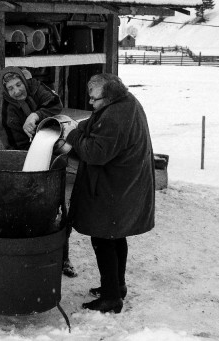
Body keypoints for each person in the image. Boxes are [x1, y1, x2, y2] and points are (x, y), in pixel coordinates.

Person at [62, 73, 155, 313]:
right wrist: (79, 127)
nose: (91, 104)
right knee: (116, 235)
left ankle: (111, 298)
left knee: (103, 237)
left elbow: (95, 153)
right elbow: (97, 124)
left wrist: (72, 135)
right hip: (124, 183)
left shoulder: (115, 116)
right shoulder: (126, 102)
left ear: (109, 95)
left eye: (94, 99)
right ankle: (117, 286)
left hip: (114, 186)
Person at [0, 66, 77, 278]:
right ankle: (30, 255)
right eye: (10, 88)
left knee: (57, 207)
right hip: (28, 159)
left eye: (18, 85)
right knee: (29, 210)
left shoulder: (36, 87)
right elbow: (8, 140)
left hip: (52, 152)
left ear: (25, 82)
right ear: (5, 91)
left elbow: (55, 103)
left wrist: (35, 115)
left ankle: (63, 258)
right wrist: (17, 164)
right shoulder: (7, 109)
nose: (16, 91)